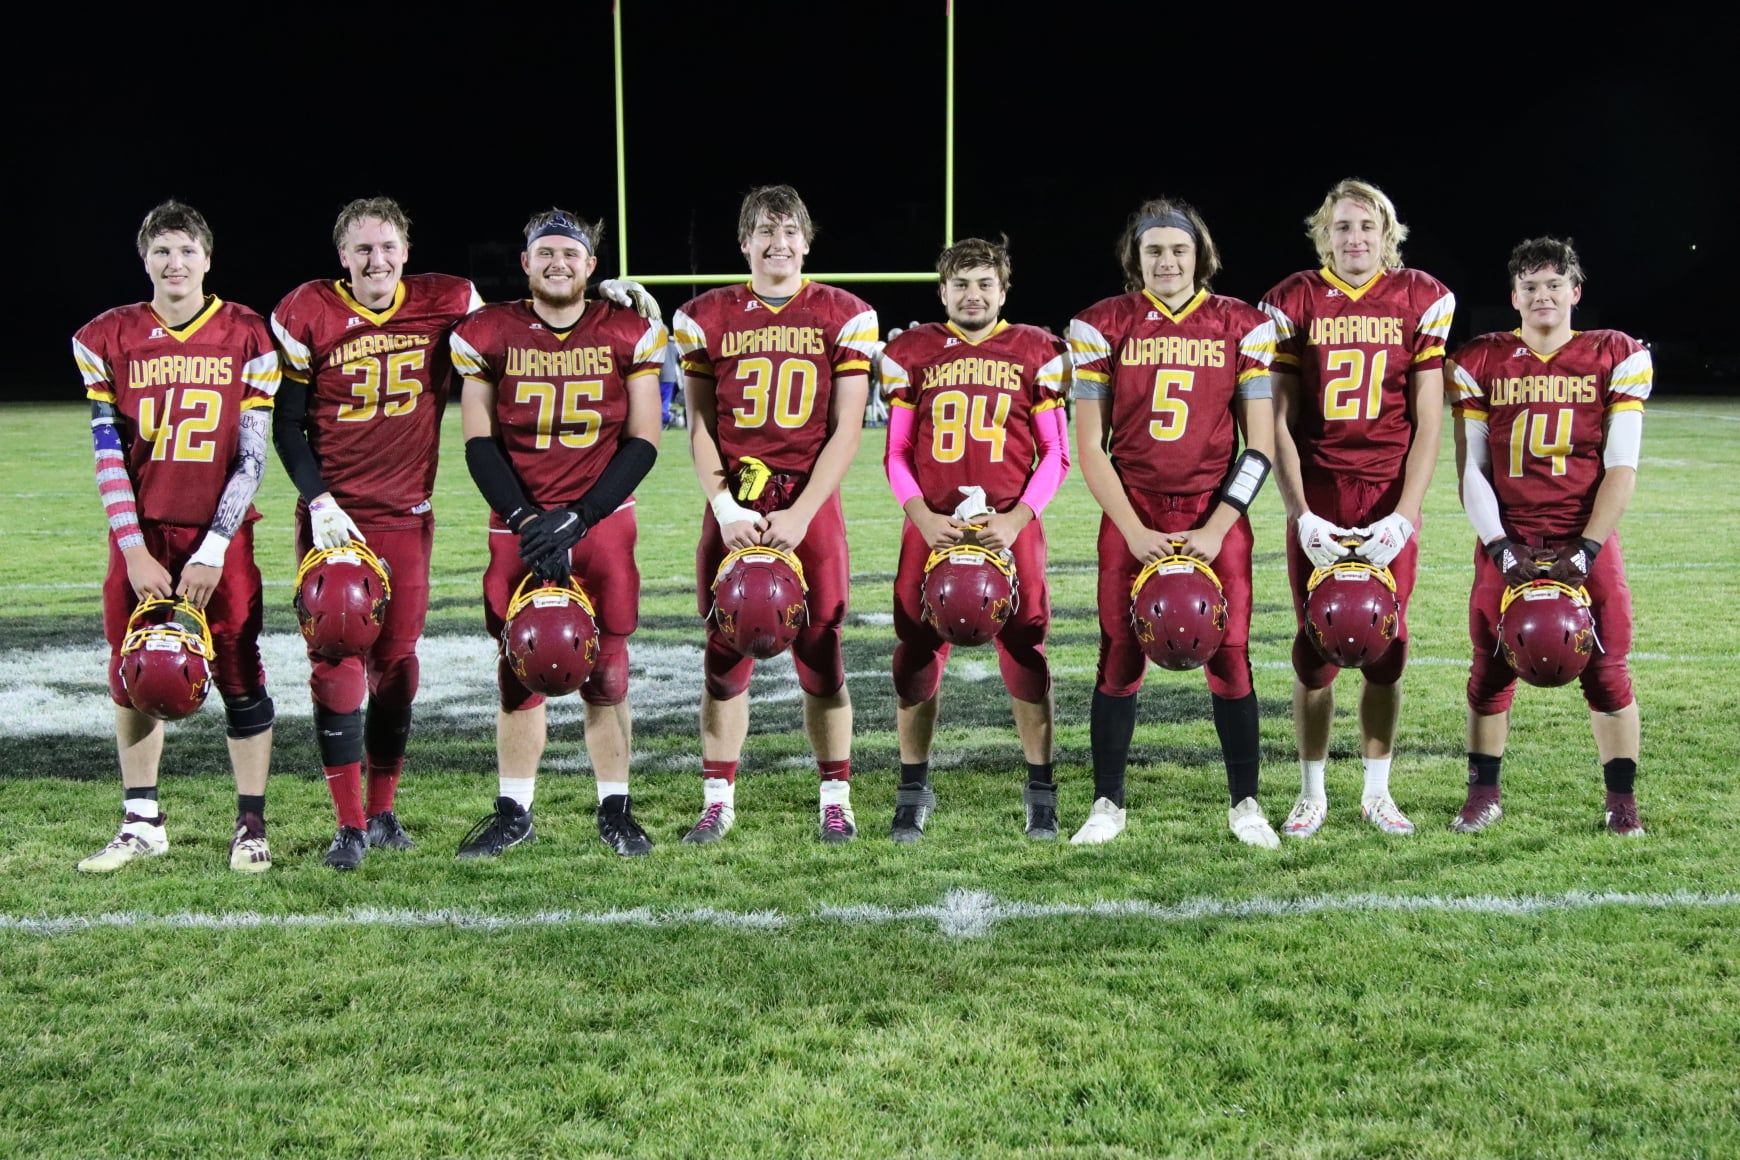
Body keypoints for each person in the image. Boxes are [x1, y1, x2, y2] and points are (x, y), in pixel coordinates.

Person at [271, 197, 483, 870]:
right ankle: (349, 825)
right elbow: (287, 423)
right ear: (343, 255)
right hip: (335, 519)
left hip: (406, 516)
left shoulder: (447, 301)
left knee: (398, 668)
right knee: (335, 663)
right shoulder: (308, 309)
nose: (376, 259)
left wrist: (600, 305)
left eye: (388, 246)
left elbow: (522, 329)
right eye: (362, 248)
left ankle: (384, 812)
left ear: (406, 252)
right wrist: (319, 501)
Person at [448, 209, 666, 858]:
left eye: (570, 253)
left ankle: (615, 808)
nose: (557, 263)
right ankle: (514, 811)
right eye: (544, 252)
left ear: (590, 265)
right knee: (519, 670)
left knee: (608, 675)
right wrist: (525, 521)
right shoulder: (489, 331)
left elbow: (645, 439)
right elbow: (478, 441)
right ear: (525, 263)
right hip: (517, 523)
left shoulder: (626, 329)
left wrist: (580, 516)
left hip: (602, 523)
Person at [72, 200, 280, 873]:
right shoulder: (108, 336)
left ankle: (250, 824)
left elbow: (253, 456)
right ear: (145, 260)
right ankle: (141, 822)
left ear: (208, 259)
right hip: (141, 534)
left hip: (221, 535)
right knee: (131, 668)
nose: (175, 262)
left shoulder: (247, 333)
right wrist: (133, 548)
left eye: (187, 250)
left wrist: (214, 547)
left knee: (240, 668)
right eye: (162, 250)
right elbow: (108, 455)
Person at [1069, 198, 1278, 847]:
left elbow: (1260, 447)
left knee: (1231, 656)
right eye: (1154, 249)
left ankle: (1246, 802)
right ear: (1136, 257)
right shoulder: (1103, 325)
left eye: (1178, 249)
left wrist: (1218, 527)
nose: (1167, 261)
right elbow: (1089, 446)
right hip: (1133, 510)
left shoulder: (1242, 325)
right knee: (1118, 656)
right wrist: (1134, 531)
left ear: (1199, 254)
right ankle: (1107, 802)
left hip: (1214, 511)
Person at [672, 184, 878, 843]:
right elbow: (700, 426)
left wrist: (802, 513)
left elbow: (847, 429)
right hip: (734, 502)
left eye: (789, 231)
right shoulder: (705, 316)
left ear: (807, 242)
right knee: (725, 652)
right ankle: (717, 800)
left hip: (808, 507)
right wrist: (725, 508)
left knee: (822, 652)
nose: (778, 242)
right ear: (745, 243)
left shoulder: (845, 314)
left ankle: (836, 798)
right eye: (765, 230)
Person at [1260, 178, 1456, 839]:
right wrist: (1300, 512)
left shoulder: (1419, 296)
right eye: (1342, 226)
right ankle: (1311, 792)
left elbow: (1429, 421)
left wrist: (1406, 512)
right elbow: (1278, 418)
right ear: (1325, 234)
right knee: (1316, 646)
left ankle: (1377, 791)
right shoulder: (1294, 299)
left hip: (1386, 491)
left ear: (1386, 234)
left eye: (1367, 226)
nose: (1355, 238)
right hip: (1318, 489)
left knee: (1385, 646)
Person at [1445, 237, 1652, 835]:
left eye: (1554, 285)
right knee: (1489, 672)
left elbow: (1621, 467)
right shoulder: (1481, 360)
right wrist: (1498, 545)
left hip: (1584, 534)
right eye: (1530, 286)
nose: (1542, 296)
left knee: (1608, 671)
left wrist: (1587, 548)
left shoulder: (1612, 355)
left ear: (1575, 292)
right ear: (1513, 296)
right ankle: (1482, 795)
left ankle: (1622, 802)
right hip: (1507, 534)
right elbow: (1472, 470)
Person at [880, 236, 1070, 841]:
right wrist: (921, 516)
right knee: (915, 653)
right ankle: (912, 788)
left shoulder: (1036, 350)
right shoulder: (914, 352)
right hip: (933, 527)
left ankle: (1041, 789)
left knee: (1025, 650)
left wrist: (1017, 520)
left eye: (985, 284)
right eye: (961, 284)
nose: (972, 295)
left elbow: (1056, 453)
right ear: (943, 291)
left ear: (1003, 291)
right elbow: (897, 451)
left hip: (1010, 529)